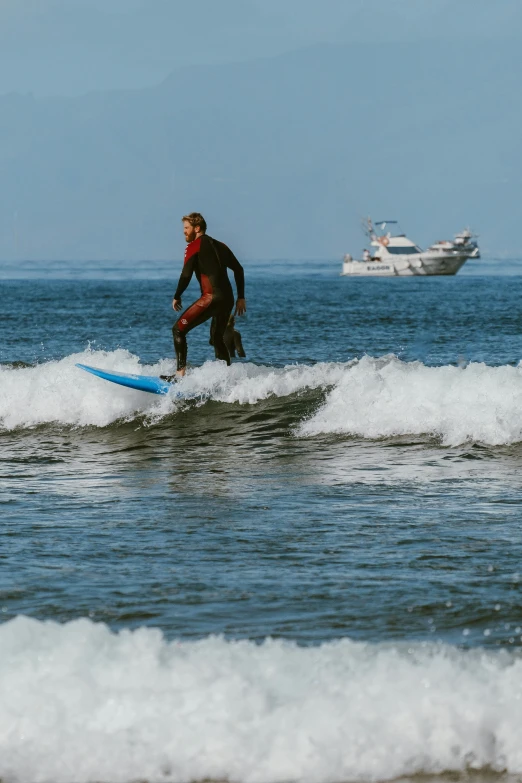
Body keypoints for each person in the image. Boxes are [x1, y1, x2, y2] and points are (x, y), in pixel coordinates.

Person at [164, 212, 246, 379]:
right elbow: (239, 269)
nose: (184, 232)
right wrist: (241, 297)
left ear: (197, 228)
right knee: (217, 338)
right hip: (227, 299)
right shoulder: (221, 245)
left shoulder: (194, 246)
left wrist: (177, 295)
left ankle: (179, 375)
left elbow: (185, 275)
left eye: (186, 228)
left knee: (178, 330)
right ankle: (227, 377)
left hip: (211, 297)